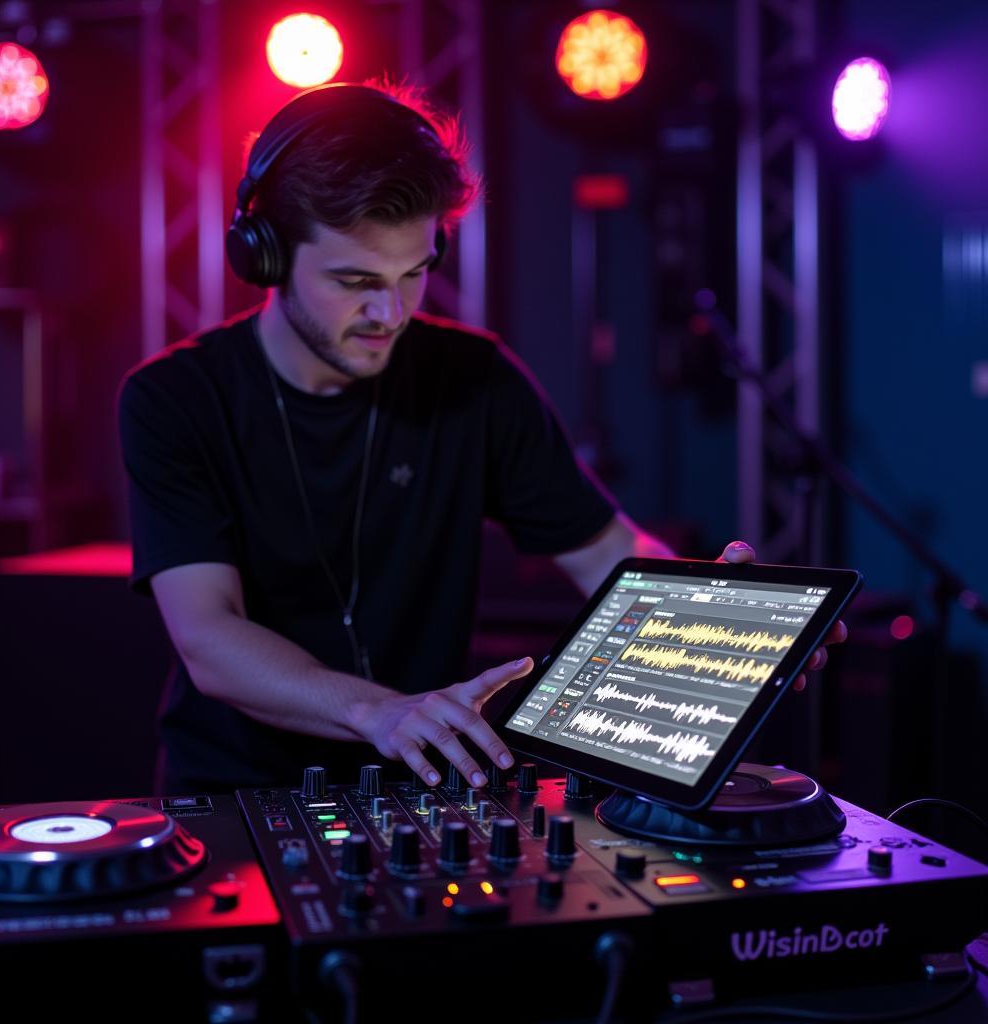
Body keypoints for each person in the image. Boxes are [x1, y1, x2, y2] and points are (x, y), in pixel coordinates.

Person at [118, 81, 843, 795]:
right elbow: (209, 636)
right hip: (235, 800)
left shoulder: (476, 379)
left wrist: (730, 633)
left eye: (414, 273)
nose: (390, 311)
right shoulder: (175, 400)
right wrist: (379, 710)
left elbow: (608, 555)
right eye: (355, 280)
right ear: (265, 257)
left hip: (422, 789)